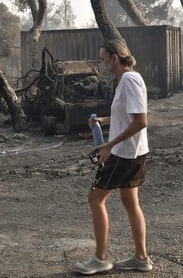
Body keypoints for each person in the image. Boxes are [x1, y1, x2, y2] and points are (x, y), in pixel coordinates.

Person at [74, 39, 153, 275]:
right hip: (135, 153)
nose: (104, 64)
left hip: (124, 154)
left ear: (115, 58)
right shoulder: (129, 80)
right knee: (130, 203)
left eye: (104, 59)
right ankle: (141, 258)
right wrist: (103, 121)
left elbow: (141, 121)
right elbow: (128, 117)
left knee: (95, 199)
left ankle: (100, 258)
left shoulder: (128, 80)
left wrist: (108, 145)